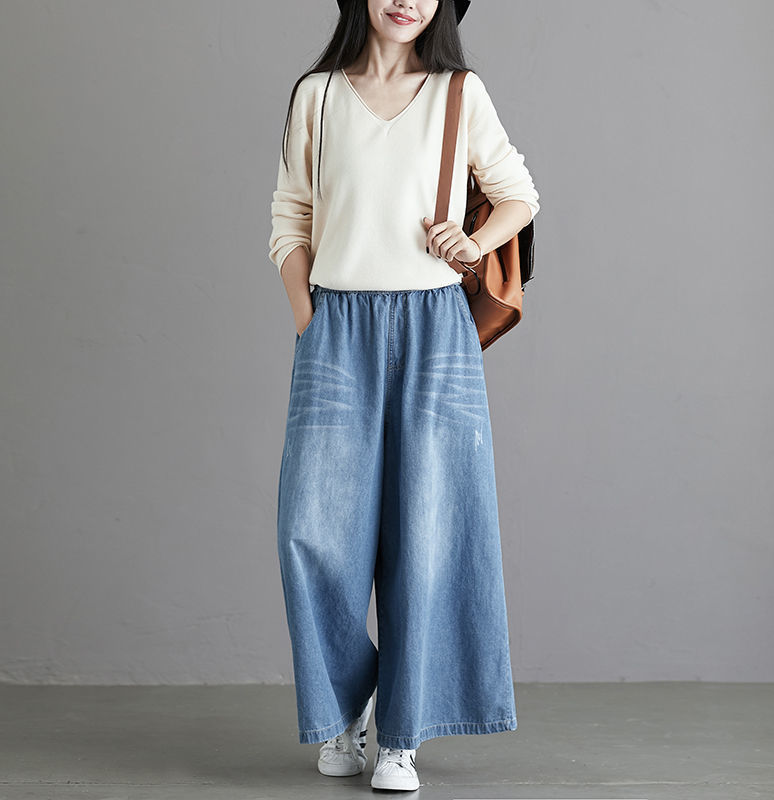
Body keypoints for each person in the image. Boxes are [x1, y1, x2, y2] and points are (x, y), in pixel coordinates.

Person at [267, 0, 540, 791]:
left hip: (433, 328)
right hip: (337, 325)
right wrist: (307, 315)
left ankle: (401, 738)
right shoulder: (317, 95)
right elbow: (290, 211)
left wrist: (473, 242)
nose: (406, 0)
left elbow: (519, 194)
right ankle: (349, 701)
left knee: (429, 528)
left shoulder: (460, 93)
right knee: (311, 529)